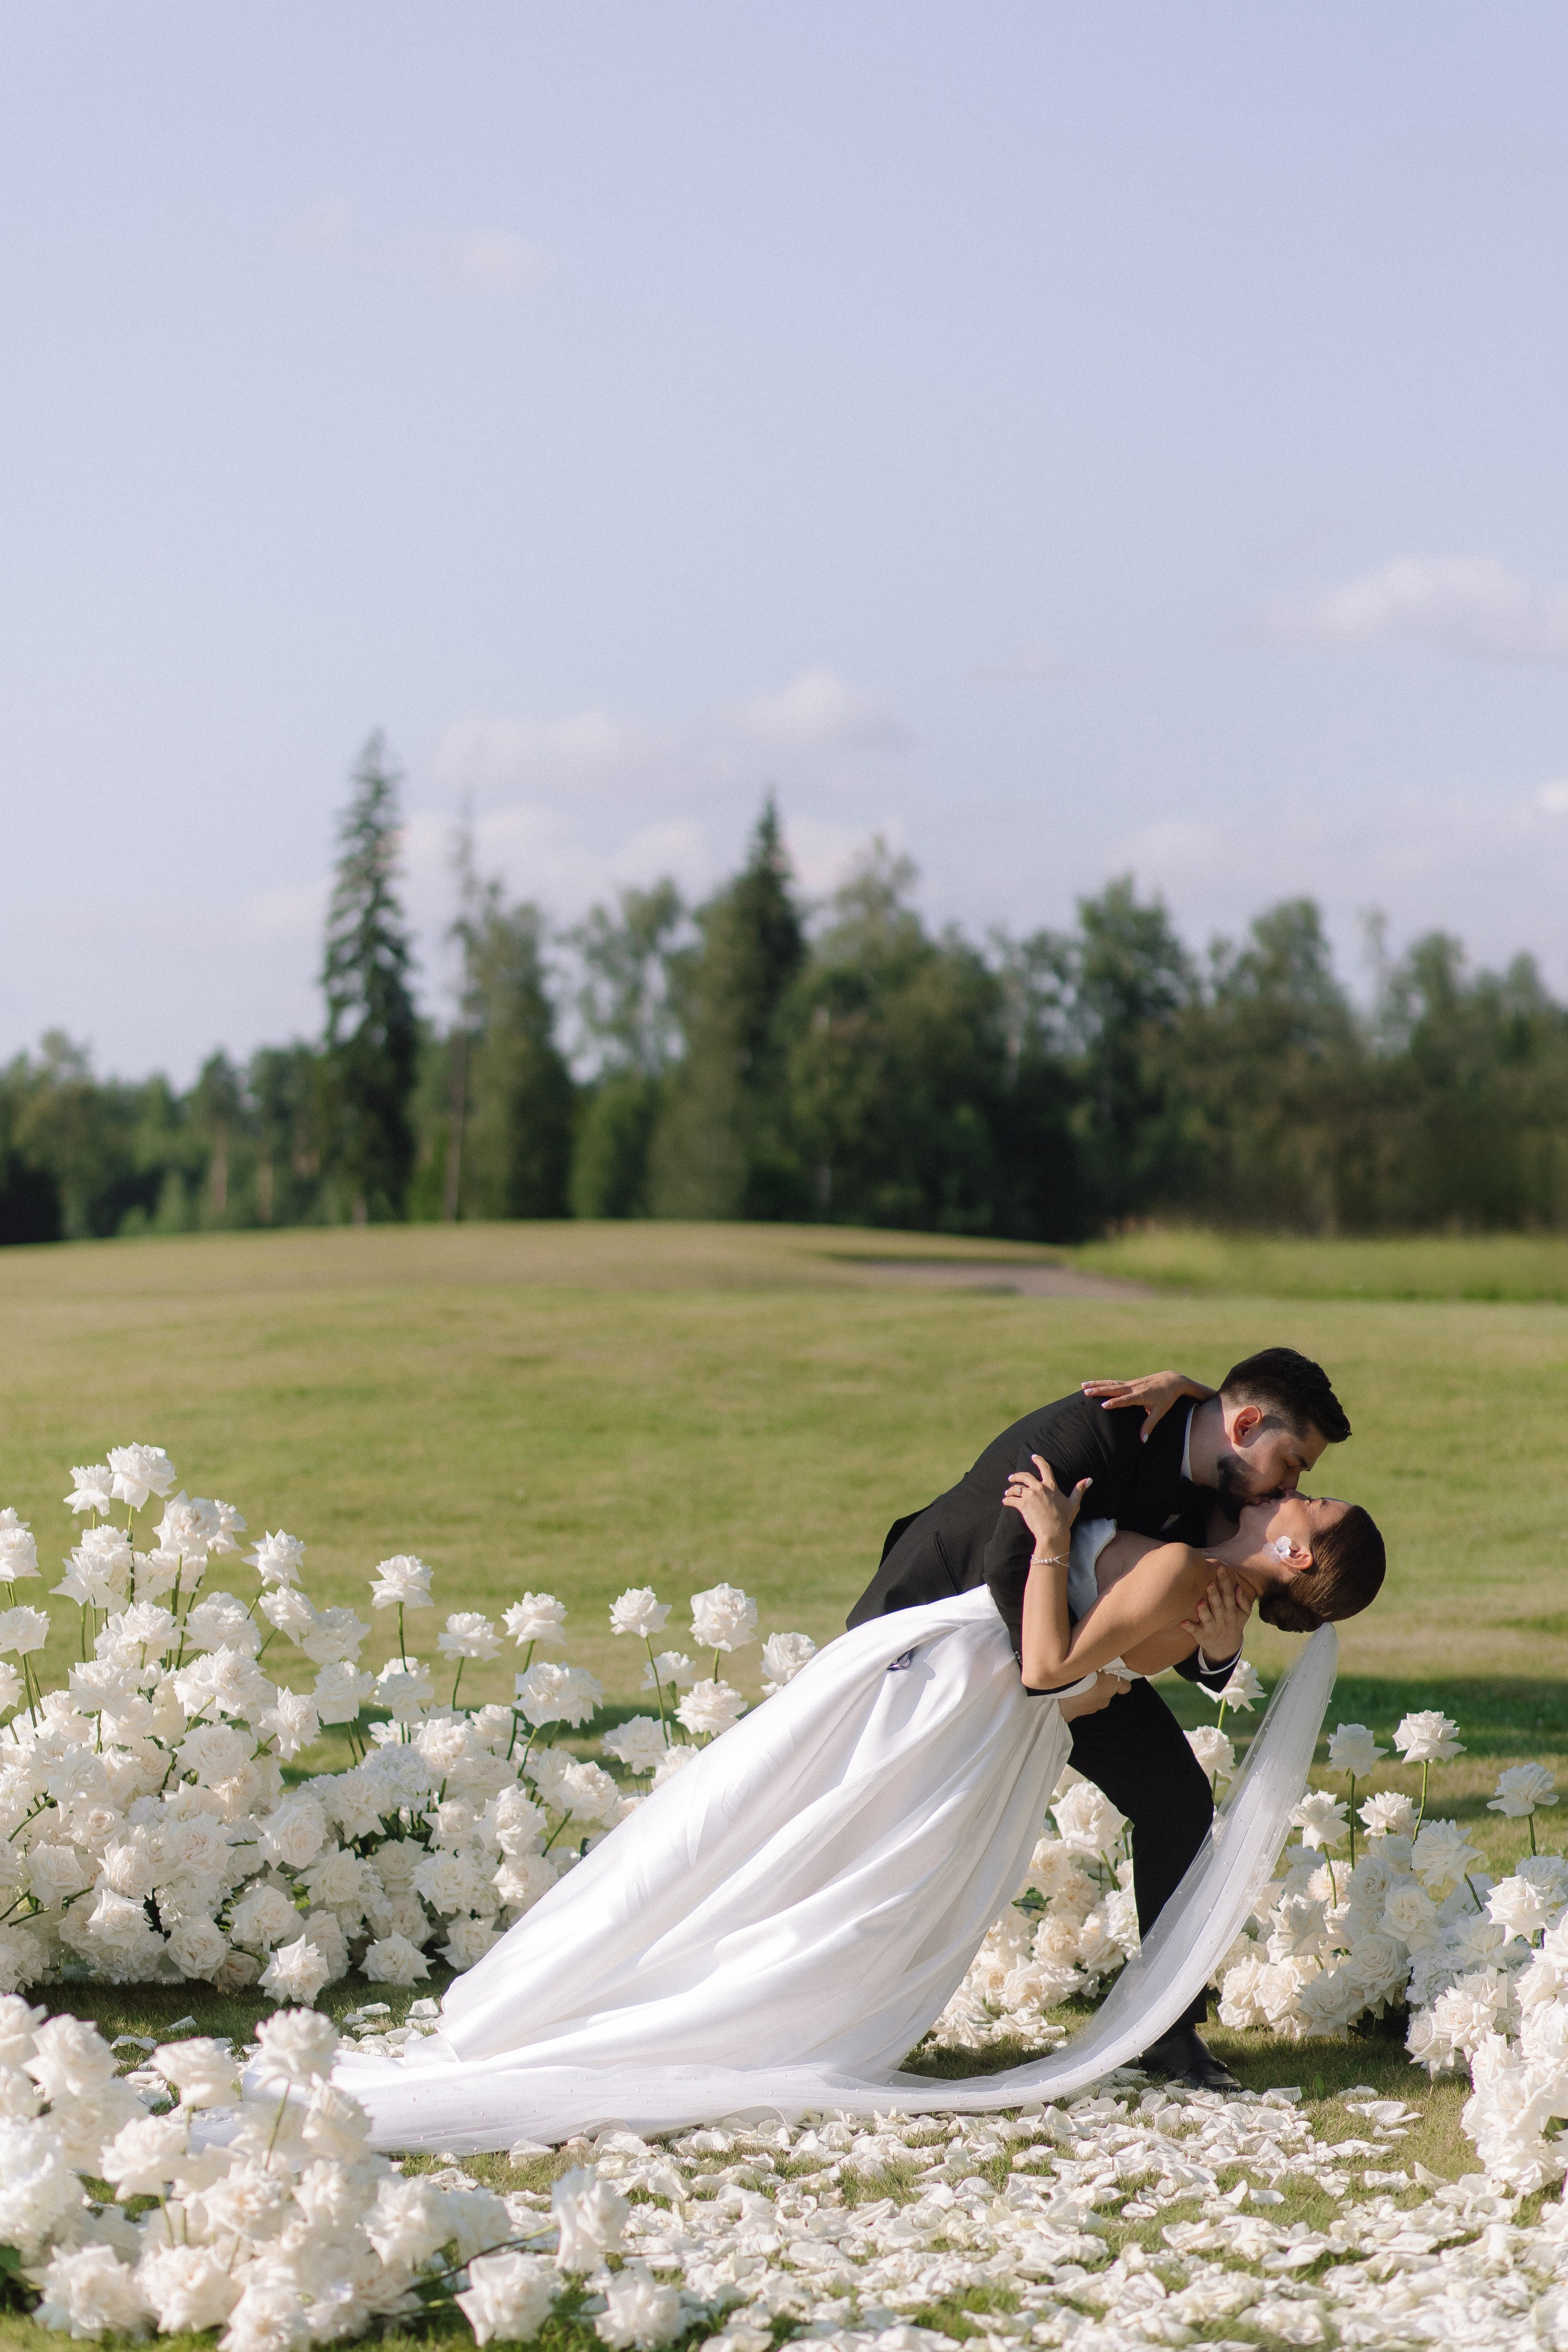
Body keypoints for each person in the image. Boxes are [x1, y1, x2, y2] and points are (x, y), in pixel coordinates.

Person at [334, 1444, 1383, 2154]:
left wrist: (1056, 1538)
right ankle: (655, 1985)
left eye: (1312, 1497)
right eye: (1307, 1474)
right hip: (967, 1680)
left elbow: (1057, 1669)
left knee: (824, 1848)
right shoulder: (1202, 1520)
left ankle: (1166, 2026)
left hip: (989, 1687)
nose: (1297, 1484)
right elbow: (1107, 1651)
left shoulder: (1202, 1573)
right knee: (792, 1832)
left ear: (1295, 1550)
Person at [845, 1348, 1355, 2090]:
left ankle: (1170, 2035)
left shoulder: (1232, 1487)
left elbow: (1188, 1595)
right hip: (947, 1627)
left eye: (1301, 1479)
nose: (1292, 1484)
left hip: (1069, 1652)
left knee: (1176, 1799)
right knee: (891, 1825)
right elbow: (1011, 1561)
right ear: (1244, 1424)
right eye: (1292, 1463)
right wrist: (1063, 1687)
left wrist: (1217, 1655)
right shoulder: (1101, 1430)